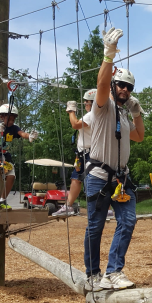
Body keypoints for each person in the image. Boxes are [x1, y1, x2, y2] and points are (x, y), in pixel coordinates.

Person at [82, 28, 145, 292]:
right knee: (95, 227)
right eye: (121, 85)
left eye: (129, 87)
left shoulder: (123, 115)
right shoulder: (102, 107)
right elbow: (100, 84)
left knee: (128, 221)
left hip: (121, 178)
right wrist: (109, 54)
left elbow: (139, 136)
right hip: (98, 176)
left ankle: (113, 271)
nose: (125, 90)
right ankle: (93, 275)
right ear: (113, 86)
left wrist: (137, 111)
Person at [0, 103, 38, 211]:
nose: (11, 121)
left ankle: (3, 200)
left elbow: (22, 133)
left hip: (5, 157)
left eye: (13, 119)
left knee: (12, 176)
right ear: (2, 117)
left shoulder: (14, 128)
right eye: (9, 118)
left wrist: (30, 136)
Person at [53, 89, 96, 217]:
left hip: (90, 154)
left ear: (92, 103)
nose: (84, 104)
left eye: (86, 102)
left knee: (95, 180)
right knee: (76, 179)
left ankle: (105, 208)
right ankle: (68, 206)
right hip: (83, 154)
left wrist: (71, 111)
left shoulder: (93, 114)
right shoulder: (92, 114)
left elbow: (75, 124)